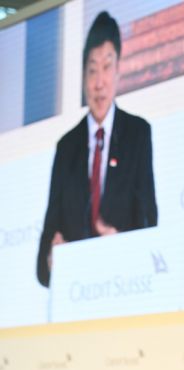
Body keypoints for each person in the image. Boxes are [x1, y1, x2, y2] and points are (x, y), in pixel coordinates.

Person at [36, 11, 157, 288]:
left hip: (124, 287)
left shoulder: (138, 134)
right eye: (92, 70)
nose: (99, 82)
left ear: (118, 70)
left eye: (106, 67)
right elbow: (44, 251)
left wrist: (120, 245)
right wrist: (52, 256)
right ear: (82, 77)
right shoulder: (67, 147)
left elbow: (150, 225)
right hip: (76, 293)